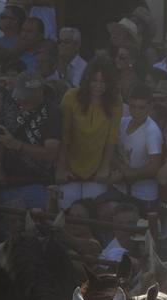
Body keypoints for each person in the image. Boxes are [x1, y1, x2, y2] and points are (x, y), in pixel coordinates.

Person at [0, 72, 61, 209]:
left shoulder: (52, 112)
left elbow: (51, 153)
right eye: (20, 95)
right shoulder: (11, 104)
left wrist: (18, 145)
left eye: (27, 96)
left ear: (40, 92)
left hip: (36, 184)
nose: (22, 100)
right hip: (7, 182)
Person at [56, 57, 120, 204]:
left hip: (97, 168)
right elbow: (64, 136)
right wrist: (61, 167)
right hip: (70, 166)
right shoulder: (70, 97)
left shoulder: (116, 100)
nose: (99, 86)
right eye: (94, 81)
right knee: (67, 209)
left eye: (103, 81)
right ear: (86, 80)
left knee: (93, 208)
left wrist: (104, 167)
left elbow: (112, 138)